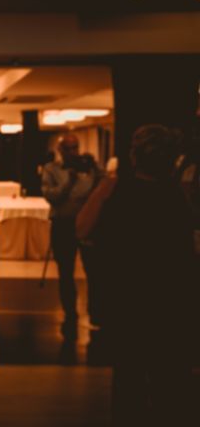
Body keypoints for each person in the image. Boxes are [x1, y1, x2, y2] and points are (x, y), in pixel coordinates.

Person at [76, 124, 193, 426]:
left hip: (125, 299)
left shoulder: (114, 190)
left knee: (128, 381)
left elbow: (82, 229)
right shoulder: (178, 196)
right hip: (170, 301)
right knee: (170, 383)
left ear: (133, 155)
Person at [41, 134, 101, 340]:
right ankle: (70, 313)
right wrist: (70, 181)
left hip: (88, 224)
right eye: (68, 149)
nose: (73, 152)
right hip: (63, 225)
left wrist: (96, 170)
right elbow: (51, 196)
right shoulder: (51, 169)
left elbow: (100, 193)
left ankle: (96, 313)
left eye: (75, 147)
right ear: (60, 151)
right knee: (65, 272)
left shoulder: (89, 167)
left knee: (94, 270)